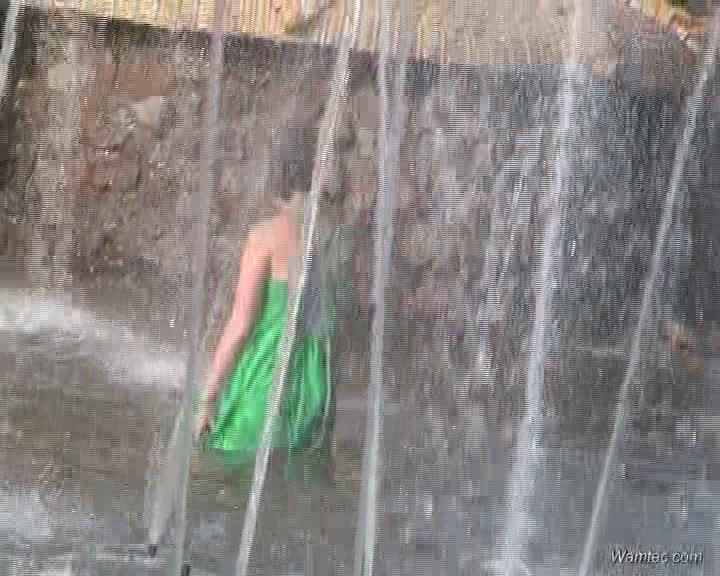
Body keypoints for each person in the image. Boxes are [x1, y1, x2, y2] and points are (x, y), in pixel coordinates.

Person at [196, 126, 335, 474]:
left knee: (227, 476)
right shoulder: (333, 233)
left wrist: (209, 396)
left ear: (277, 171)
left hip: (266, 380)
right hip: (316, 388)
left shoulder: (267, 236)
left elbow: (241, 324)